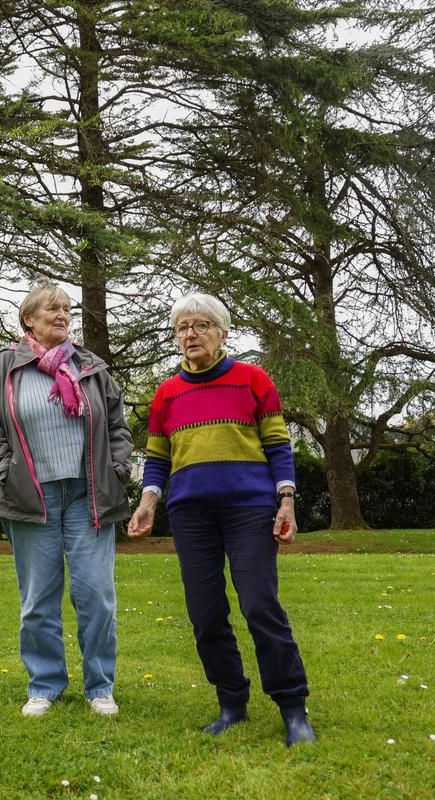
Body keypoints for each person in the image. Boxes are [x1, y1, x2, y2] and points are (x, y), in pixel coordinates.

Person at [127, 292, 316, 747]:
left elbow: (277, 445)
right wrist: (148, 502)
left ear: (222, 332)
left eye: (200, 325)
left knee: (259, 605)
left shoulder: (253, 380)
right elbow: (157, 458)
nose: (190, 334)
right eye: (182, 328)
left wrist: (286, 500)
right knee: (206, 614)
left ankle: (293, 708)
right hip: (191, 515)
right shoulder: (167, 393)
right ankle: (232, 702)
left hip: (250, 510)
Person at [0, 281, 133, 718]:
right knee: (38, 598)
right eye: (51, 309)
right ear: (29, 319)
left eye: (66, 309)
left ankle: (100, 687)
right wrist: (5, 470)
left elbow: (117, 424)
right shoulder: (3, 366)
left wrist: (119, 467)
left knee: (96, 594)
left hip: (89, 495)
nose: (62, 315)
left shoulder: (91, 365)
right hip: (31, 496)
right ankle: (44, 685)